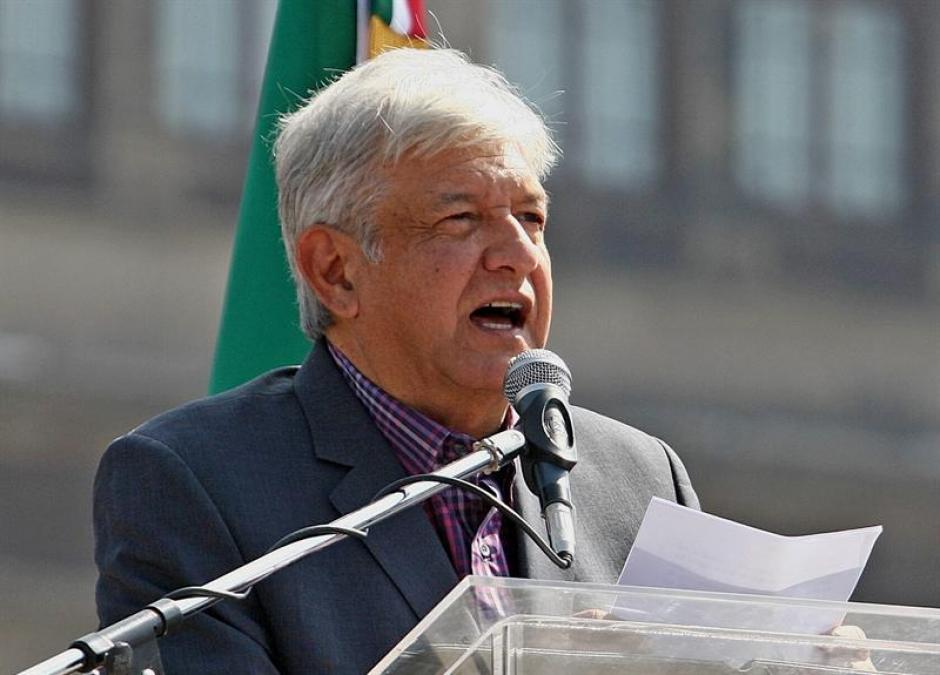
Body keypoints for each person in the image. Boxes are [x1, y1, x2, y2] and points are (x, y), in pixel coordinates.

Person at [94, 48, 698, 674]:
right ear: (336, 271)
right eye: (460, 219)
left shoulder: (642, 480)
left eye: (531, 217)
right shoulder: (197, 480)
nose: (518, 254)